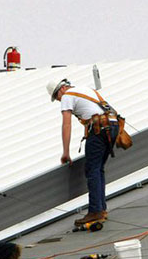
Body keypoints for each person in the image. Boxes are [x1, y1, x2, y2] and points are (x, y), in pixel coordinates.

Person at [47, 79, 120, 226]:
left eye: (57, 98)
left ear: (60, 90)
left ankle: (95, 211)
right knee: (98, 169)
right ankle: (101, 209)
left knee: (92, 169)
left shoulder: (67, 96)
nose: (59, 100)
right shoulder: (85, 89)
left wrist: (66, 152)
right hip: (113, 125)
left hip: (99, 128)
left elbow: (66, 124)